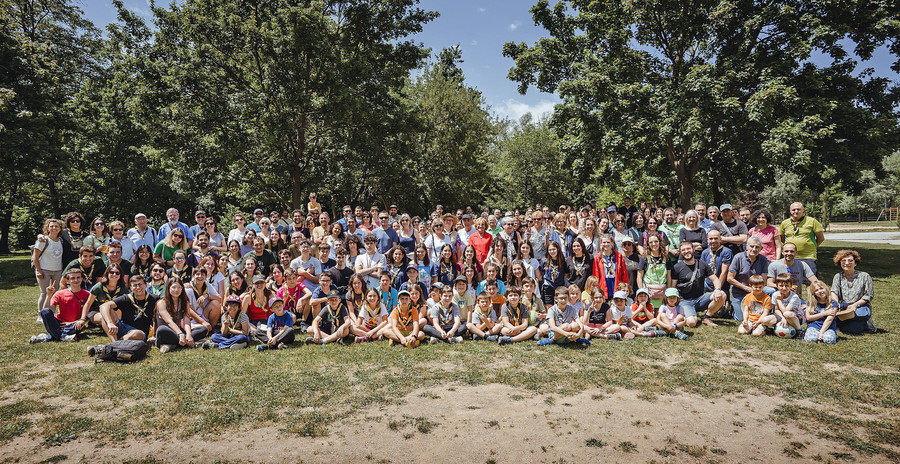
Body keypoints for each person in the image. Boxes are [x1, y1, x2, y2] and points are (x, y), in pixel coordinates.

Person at [669, 241, 724, 328]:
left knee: (722, 294)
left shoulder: (703, 265)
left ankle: (706, 316)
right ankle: (687, 314)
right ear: (681, 252)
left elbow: (715, 279)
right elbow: (673, 287)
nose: (686, 251)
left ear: (693, 249)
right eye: (683, 250)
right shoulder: (677, 267)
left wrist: (717, 290)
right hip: (685, 301)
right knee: (691, 323)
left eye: (688, 249)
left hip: (701, 299)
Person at [31, 268, 89, 343]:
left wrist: (73, 322)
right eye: (72, 278)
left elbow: (88, 314)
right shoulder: (60, 293)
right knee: (45, 311)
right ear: (67, 280)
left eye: (78, 277)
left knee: (77, 326)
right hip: (60, 322)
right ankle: (63, 336)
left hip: (75, 323)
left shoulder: (87, 294)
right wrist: (49, 295)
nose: (76, 280)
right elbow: (46, 310)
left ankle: (48, 337)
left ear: (82, 279)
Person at [96, 274, 156, 343]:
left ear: (146, 285)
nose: (138, 287)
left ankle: (113, 346)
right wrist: (110, 323)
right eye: (134, 285)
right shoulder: (126, 298)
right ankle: (115, 344)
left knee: (136, 334)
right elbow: (103, 306)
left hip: (140, 333)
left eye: (140, 284)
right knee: (106, 314)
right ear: (130, 288)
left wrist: (155, 333)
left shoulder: (154, 299)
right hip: (124, 328)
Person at [155, 276, 208, 353]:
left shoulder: (184, 302)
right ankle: (187, 343)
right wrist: (180, 334)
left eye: (179, 287)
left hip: (179, 331)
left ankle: (175, 344)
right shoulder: (161, 303)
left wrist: (189, 335)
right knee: (162, 329)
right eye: (173, 287)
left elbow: (186, 320)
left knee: (203, 329)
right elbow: (169, 321)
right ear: (168, 288)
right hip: (168, 332)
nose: (177, 290)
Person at [830, 249, 875, 334]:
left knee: (852, 330)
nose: (846, 263)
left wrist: (855, 305)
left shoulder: (864, 276)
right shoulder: (838, 276)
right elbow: (834, 292)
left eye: (850, 260)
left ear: (855, 263)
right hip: (843, 307)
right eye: (843, 261)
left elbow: (869, 295)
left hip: (858, 307)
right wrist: (836, 304)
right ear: (840, 262)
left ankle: (865, 323)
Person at [727, 237, 770, 321]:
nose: (754, 249)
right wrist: (746, 288)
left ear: (761, 248)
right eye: (752, 246)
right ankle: (733, 310)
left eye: (757, 247)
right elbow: (729, 278)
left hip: (756, 291)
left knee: (770, 290)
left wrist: (755, 291)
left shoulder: (763, 259)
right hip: (739, 291)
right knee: (740, 319)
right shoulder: (738, 257)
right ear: (746, 246)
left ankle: (768, 311)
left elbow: (764, 280)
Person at [779, 202, 825, 275]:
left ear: (803, 210)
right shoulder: (785, 223)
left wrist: (811, 246)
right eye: (793, 210)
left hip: (808, 256)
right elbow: (781, 237)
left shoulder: (812, 221)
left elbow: (821, 238)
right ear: (790, 211)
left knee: (809, 281)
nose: (796, 211)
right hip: (790, 256)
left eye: (798, 209)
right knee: (790, 280)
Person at [33, 218, 65, 314]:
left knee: (54, 294)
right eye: (51, 226)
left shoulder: (61, 241)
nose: (54, 228)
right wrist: (38, 270)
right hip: (44, 270)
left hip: (57, 270)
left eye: (56, 226)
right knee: (44, 293)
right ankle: (41, 314)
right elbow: (35, 257)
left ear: (60, 228)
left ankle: (51, 313)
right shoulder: (43, 240)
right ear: (47, 228)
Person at [83, 263, 129, 328]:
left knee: (117, 313)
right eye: (112, 272)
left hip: (114, 312)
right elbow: (88, 303)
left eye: (117, 273)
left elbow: (127, 305)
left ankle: (111, 326)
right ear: (107, 273)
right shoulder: (99, 286)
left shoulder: (123, 288)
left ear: (120, 275)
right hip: (97, 311)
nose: (114, 275)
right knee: (104, 318)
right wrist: (82, 319)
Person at [699, 230, 732, 319]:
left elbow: (724, 272)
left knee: (721, 313)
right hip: (707, 284)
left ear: (720, 239)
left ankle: (723, 307)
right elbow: (702, 271)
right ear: (707, 240)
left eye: (716, 238)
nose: (713, 241)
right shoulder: (705, 252)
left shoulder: (726, 251)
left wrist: (717, 288)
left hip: (721, 285)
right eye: (711, 239)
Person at [592, 235, 627, 301]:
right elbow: (595, 275)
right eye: (604, 242)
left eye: (608, 242)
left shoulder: (619, 256)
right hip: (604, 287)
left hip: (616, 286)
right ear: (601, 243)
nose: (606, 244)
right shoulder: (598, 257)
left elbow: (624, 273)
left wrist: (625, 287)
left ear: (612, 243)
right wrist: (596, 290)